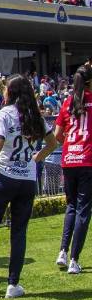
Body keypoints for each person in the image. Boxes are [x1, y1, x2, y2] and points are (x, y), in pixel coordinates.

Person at [0, 75, 59, 297]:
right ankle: (13, 285)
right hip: (27, 180)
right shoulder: (35, 116)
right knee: (19, 232)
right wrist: (35, 159)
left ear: (10, 92)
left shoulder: (3, 113)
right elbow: (52, 143)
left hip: (5, 176)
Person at [55, 64, 92, 274]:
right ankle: (74, 260)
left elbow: (58, 134)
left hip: (69, 159)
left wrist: (70, 145)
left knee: (71, 207)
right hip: (87, 160)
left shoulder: (68, 102)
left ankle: (62, 251)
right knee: (83, 211)